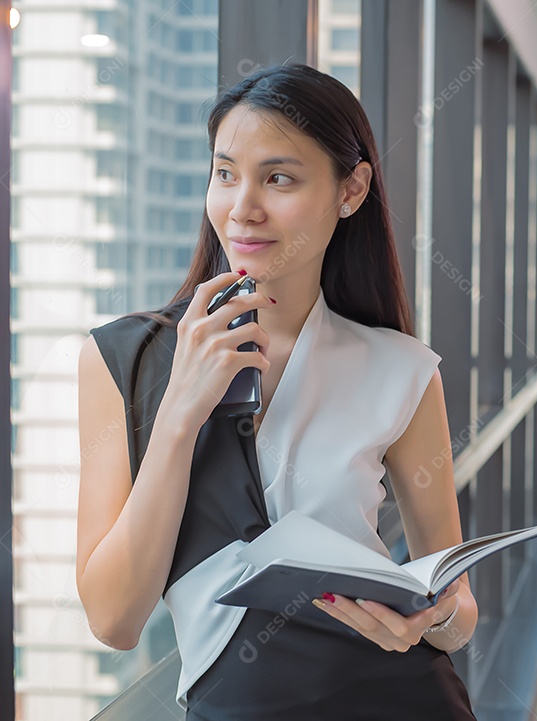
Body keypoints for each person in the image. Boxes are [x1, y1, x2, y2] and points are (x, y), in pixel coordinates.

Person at [75, 64, 477, 720]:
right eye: (225, 173)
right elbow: (113, 620)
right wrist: (181, 409)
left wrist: (430, 617)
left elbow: (457, 609)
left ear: (351, 190)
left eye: (279, 178)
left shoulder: (401, 369)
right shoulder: (125, 359)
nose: (243, 207)